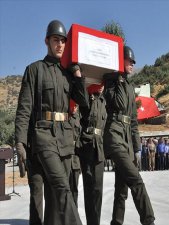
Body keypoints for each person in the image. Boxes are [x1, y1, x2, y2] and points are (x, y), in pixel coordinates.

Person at [15, 20, 87, 225]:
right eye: (56, 40)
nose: (60, 45)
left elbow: (82, 101)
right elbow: (24, 108)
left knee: (56, 198)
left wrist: (78, 75)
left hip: (65, 136)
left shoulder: (68, 74)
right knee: (62, 187)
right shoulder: (35, 70)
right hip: (43, 136)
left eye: (63, 41)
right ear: (46, 41)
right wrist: (20, 141)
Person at [103, 46, 155, 225]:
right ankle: (149, 221)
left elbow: (133, 120)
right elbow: (116, 103)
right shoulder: (110, 81)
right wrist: (117, 78)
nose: (132, 64)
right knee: (136, 181)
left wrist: (137, 147)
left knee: (122, 188)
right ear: (120, 60)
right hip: (114, 135)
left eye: (133, 62)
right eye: (129, 61)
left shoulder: (131, 87)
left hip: (127, 139)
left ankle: (116, 222)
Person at [77, 83, 107, 225]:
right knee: (89, 189)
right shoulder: (86, 99)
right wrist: (90, 94)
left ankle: (96, 221)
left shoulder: (104, 101)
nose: (101, 87)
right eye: (98, 84)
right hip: (87, 145)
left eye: (103, 84)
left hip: (99, 146)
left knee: (98, 189)